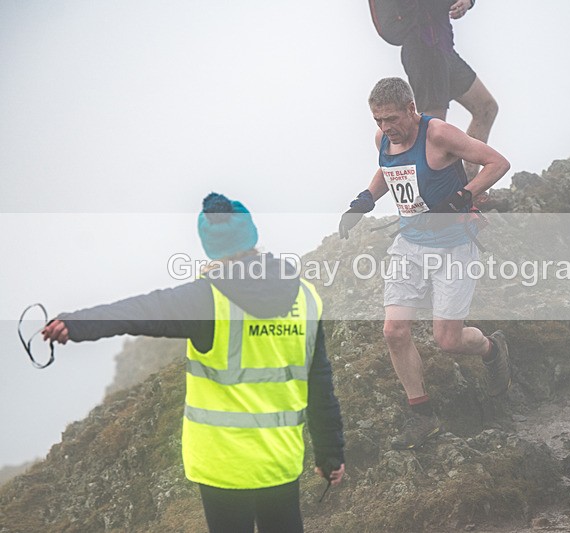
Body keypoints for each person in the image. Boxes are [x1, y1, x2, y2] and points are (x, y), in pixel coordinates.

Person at [42, 193, 345, 533]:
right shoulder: (306, 297)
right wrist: (330, 453)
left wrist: (77, 324)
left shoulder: (206, 299)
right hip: (280, 461)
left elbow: (142, 310)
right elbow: (319, 382)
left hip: (222, 466)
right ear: (252, 236)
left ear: (211, 246)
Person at [339, 77, 511, 450]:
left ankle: (492, 349)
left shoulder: (439, 135)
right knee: (394, 332)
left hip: (454, 247)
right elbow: (390, 169)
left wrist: (463, 195)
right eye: (378, 120)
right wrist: (364, 200)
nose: (385, 127)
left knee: (448, 340)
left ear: (411, 109)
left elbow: (498, 163)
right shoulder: (384, 139)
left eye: (392, 118)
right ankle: (423, 417)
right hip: (409, 245)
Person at [398, 0, 498, 182]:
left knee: (486, 107)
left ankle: (469, 186)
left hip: (445, 48)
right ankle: (436, 193)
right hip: (424, 48)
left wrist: (468, 2)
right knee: (434, 130)